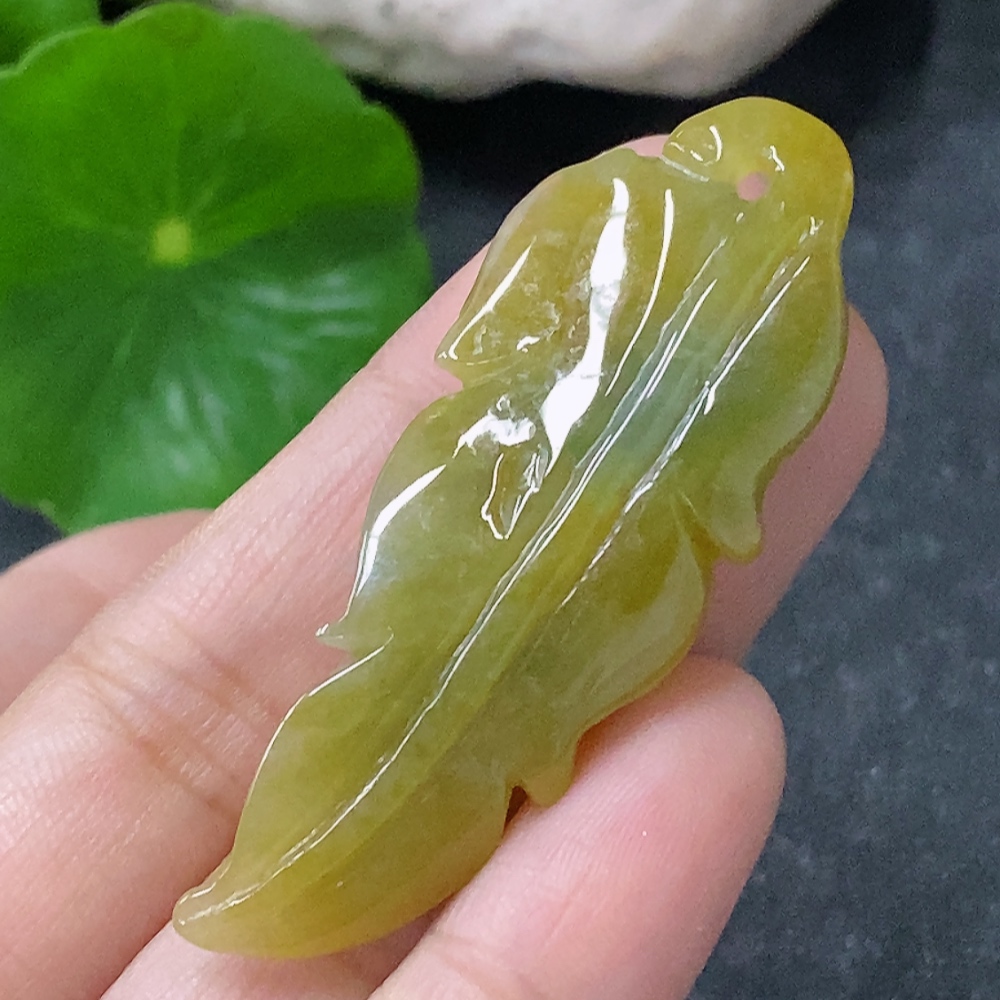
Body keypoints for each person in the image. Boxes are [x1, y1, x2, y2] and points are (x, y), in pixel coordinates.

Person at [0, 137, 887, 999]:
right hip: (504, 481)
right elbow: (698, 472)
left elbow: (513, 350)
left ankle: (304, 874)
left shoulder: (772, 291)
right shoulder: (749, 275)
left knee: (471, 699)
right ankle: (297, 871)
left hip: (590, 539)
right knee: (428, 681)